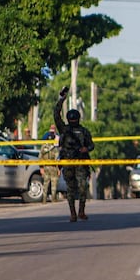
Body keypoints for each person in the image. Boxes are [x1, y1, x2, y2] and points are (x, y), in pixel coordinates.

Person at [54, 88, 95, 222]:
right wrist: (61, 99)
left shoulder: (84, 131)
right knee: (70, 189)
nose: (73, 121)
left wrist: (85, 149)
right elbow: (56, 115)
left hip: (81, 162)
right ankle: (72, 213)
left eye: (74, 119)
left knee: (83, 187)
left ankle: (81, 211)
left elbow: (91, 145)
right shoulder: (64, 130)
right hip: (68, 162)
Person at [39, 128, 61, 203]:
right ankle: (53, 199)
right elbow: (57, 159)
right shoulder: (55, 149)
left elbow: (40, 158)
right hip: (53, 167)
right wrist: (59, 169)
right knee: (54, 184)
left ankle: (44, 199)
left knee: (45, 183)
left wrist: (41, 168)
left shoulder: (43, 147)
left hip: (45, 167)